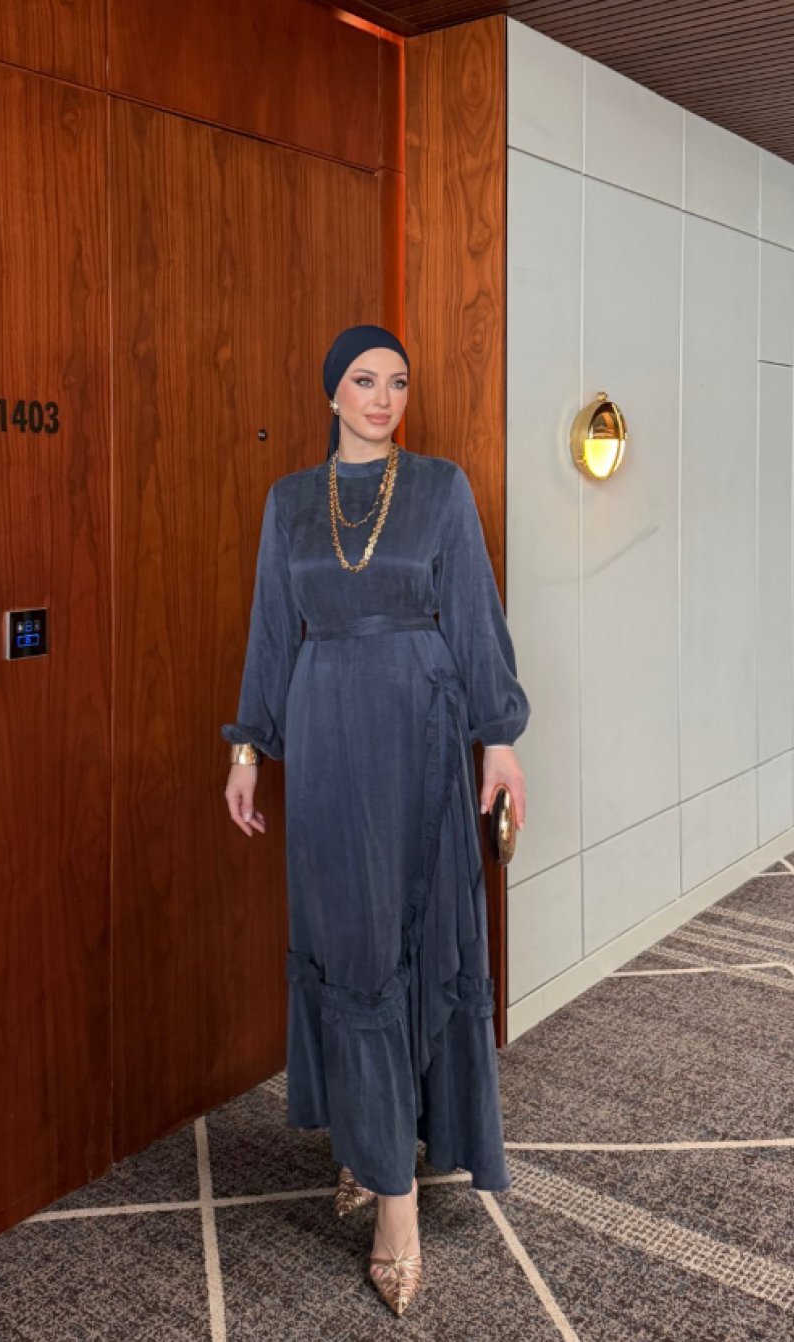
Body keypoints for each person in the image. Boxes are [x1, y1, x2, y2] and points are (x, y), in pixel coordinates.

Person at [222, 323, 530, 1316]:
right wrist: (246, 750)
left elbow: (474, 614)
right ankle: (369, 1145)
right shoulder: (289, 503)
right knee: (349, 947)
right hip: (325, 735)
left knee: (416, 939)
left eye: (397, 381)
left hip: (422, 725)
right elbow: (272, 630)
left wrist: (498, 738)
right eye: (364, 380)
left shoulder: (439, 488)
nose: (383, 397)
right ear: (332, 393)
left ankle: (396, 1203)